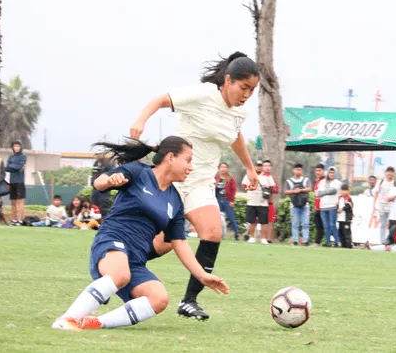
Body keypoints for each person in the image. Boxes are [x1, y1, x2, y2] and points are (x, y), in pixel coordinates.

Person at [129, 51, 259, 320]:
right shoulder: (202, 94)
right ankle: (122, 269)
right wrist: (140, 120)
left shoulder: (238, 112)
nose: (247, 94)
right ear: (228, 80)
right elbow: (161, 100)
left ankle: (189, 301)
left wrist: (249, 167)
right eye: (243, 87)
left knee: (212, 232)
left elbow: (234, 137)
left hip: (200, 183)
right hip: (174, 180)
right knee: (163, 244)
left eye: (252, 90)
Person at [52, 136, 229, 331]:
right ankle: (68, 319)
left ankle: (93, 323)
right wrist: (108, 181)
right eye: (188, 160)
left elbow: (179, 243)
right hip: (112, 240)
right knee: (120, 274)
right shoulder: (139, 173)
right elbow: (100, 182)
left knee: (159, 299)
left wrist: (202, 275)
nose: (191, 167)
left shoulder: (176, 201)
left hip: (136, 260)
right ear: (170, 157)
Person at [242, 161, 275, 245]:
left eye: (260, 166)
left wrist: (266, 191)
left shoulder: (267, 176)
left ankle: (263, 238)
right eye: (257, 166)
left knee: (264, 222)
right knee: (252, 221)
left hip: (263, 202)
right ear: (254, 167)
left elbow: (272, 187)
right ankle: (252, 237)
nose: (259, 168)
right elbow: (244, 185)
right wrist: (250, 188)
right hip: (251, 201)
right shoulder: (249, 175)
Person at [285, 162, 311, 246]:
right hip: (294, 205)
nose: (298, 171)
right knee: (295, 224)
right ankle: (295, 240)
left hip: (305, 205)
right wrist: (293, 191)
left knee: (305, 223)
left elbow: (309, 188)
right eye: (297, 169)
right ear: (293, 170)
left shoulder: (306, 180)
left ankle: (305, 240)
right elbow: (286, 191)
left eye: (300, 170)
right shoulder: (289, 181)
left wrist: (301, 190)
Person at [316, 167, 342, 247]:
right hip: (323, 206)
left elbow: (333, 191)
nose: (331, 174)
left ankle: (337, 242)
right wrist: (325, 192)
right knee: (326, 225)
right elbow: (318, 193)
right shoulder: (322, 182)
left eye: (333, 173)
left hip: (332, 206)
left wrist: (324, 192)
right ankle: (328, 242)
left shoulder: (337, 182)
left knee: (332, 224)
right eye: (330, 172)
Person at [215, 162, 239, 240]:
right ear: (219, 169)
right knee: (216, 218)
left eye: (225, 167)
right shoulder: (216, 178)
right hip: (217, 200)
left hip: (227, 200)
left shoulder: (230, 179)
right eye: (221, 167)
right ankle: (217, 233)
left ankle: (236, 233)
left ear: (227, 169)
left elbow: (234, 190)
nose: (223, 169)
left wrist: (232, 201)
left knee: (231, 218)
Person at [5, 140, 27, 226]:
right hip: (12, 181)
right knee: (13, 201)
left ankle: (20, 220)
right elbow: (7, 168)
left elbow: (19, 167)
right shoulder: (11, 157)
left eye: (18, 146)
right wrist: (14, 167)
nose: (16, 147)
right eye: (15, 146)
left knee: (20, 200)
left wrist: (13, 167)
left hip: (20, 181)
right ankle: (14, 220)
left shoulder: (23, 156)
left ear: (21, 147)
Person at [374, 166, 396, 243]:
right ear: (386, 173)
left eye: (391, 171)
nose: (389, 173)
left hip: (391, 206)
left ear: (393, 173)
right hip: (382, 206)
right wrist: (374, 205)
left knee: (392, 224)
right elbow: (376, 194)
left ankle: (390, 240)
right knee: (383, 224)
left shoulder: (395, 183)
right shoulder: (380, 182)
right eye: (388, 171)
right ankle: (382, 241)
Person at [91, 151, 115, 219]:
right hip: (95, 188)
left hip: (104, 189)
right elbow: (94, 174)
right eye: (96, 154)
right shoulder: (96, 163)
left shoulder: (108, 163)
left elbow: (112, 174)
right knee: (94, 206)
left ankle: (105, 222)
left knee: (104, 207)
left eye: (98, 154)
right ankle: (95, 223)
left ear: (103, 154)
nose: (97, 156)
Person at [337, 183, 354, 249]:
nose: (344, 192)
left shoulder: (348, 198)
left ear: (348, 191)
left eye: (345, 190)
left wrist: (342, 209)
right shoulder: (339, 198)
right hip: (340, 219)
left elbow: (349, 206)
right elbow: (337, 205)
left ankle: (348, 245)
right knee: (341, 232)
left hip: (346, 219)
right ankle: (343, 245)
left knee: (347, 233)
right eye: (342, 190)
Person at [312, 164, 326, 246]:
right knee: (318, 226)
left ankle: (329, 242)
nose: (318, 172)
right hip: (317, 207)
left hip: (324, 207)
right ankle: (317, 242)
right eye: (316, 170)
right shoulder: (317, 181)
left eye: (320, 170)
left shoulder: (325, 181)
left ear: (323, 171)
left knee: (327, 225)